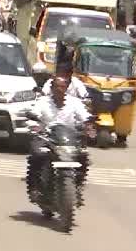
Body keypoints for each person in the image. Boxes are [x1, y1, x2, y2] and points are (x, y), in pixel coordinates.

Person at [24, 76, 92, 204]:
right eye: (57, 87)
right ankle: (34, 187)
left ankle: (78, 186)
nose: (60, 90)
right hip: (46, 137)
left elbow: (85, 116)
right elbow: (33, 115)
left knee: (83, 156)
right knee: (37, 154)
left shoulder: (74, 102)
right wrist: (35, 126)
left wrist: (88, 124)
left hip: (68, 139)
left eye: (62, 87)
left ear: (66, 88)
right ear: (52, 88)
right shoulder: (43, 102)